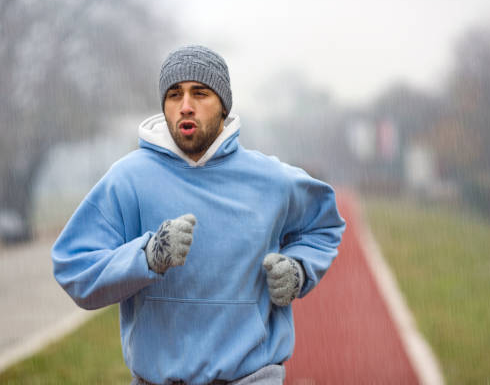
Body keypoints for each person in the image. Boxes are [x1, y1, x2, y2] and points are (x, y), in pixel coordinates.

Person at [51, 45, 346, 385]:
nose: (185, 106)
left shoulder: (272, 180)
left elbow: (323, 225)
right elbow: (74, 268)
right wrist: (146, 256)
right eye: (174, 95)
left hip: (253, 377)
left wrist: (299, 268)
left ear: (223, 105)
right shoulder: (128, 179)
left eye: (200, 93)